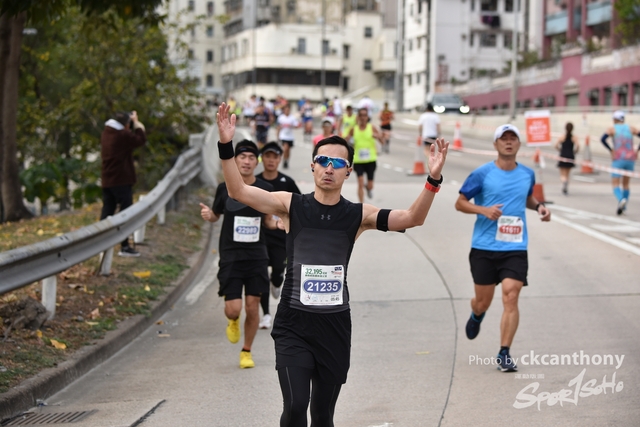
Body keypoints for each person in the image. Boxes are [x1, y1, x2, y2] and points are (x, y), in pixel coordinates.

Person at [215, 102, 448, 427]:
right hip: (294, 323)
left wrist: (433, 179)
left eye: (337, 163)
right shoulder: (290, 205)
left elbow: (412, 218)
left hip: (334, 325)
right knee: (296, 406)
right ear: (312, 166)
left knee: (323, 415)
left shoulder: (358, 214)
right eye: (323, 161)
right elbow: (237, 190)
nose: (329, 168)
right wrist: (225, 144)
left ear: (348, 171)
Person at [455, 124, 551, 373]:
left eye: (513, 138)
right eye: (503, 138)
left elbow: (526, 198)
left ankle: (504, 352)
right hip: (484, 247)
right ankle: (477, 314)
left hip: (515, 246)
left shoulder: (527, 174)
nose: (508, 142)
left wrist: (539, 207)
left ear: (519, 143)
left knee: (511, 295)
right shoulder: (482, 174)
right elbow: (460, 203)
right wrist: (483, 210)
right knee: (482, 302)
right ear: (495, 144)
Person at [199, 140, 275, 369]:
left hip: (256, 256)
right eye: (242, 157)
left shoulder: (265, 189)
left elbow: (268, 221)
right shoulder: (224, 188)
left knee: (252, 306)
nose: (247, 161)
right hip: (231, 255)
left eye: (251, 157)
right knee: (234, 309)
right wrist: (209, 215)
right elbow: (216, 214)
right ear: (235, 160)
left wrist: (279, 224)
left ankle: (246, 351)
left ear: (256, 162)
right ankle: (233, 320)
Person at [256, 142, 302, 329]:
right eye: (267, 156)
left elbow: (299, 207)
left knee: (276, 273)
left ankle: (276, 281)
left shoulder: (287, 182)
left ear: (280, 159)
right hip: (259, 237)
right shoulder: (255, 182)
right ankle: (266, 314)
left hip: (281, 237)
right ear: (262, 159)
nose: (271, 160)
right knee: (261, 275)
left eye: (275, 157)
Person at [100, 111, 146, 257]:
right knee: (125, 214)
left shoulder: (106, 133)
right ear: (126, 124)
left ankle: (100, 243)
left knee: (107, 211)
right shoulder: (122, 135)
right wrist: (137, 123)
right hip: (121, 180)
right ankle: (124, 246)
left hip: (107, 179)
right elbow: (141, 139)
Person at [601, 110, 640, 215]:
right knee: (626, 184)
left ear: (615, 119)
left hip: (618, 158)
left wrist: (611, 150)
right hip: (630, 159)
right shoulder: (631, 128)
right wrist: (637, 150)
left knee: (615, 183)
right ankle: (624, 206)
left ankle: (621, 199)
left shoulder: (612, 129)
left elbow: (603, 139)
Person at [345, 108, 384, 202]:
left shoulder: (372, 128)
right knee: (360, 182)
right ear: (358, 117)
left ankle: (368, 188)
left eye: (364, 115)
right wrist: (347, 141)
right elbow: (346, 141)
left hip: (371, 160)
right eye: (361, 115)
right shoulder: (353, 129)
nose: (363, 117)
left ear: (367, 117)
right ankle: (361, 204)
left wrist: (378, 137)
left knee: (370, 185)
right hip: (358, 160)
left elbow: (382, 142)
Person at [555, 122, 579, 195]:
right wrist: (575, 152)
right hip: (570, 156)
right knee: (567, 174)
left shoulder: (562, 137)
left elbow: (556, 145)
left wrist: (560, 150)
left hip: (563, 155)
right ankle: (566, 185)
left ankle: (564, 181)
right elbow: (578, 146)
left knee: (562, 174)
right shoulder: (574, 137)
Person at [276, 104, 301, 169]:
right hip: (283, 136)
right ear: (284, 110)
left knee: (288, 150)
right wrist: (278, 136)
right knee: (285, 148)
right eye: (286, 109)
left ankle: (287, 160)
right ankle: (284, 160)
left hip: (290, 137)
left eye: (288, 110)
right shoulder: (281, 117)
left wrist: (292, 125)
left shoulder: (292, 118)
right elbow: (278, 127)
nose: (287, 111)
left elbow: (296, 126)